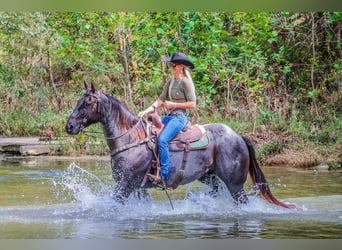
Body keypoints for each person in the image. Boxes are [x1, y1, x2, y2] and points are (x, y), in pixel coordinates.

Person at [139, 52, 197, 182]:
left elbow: (193, 104)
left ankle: (164, 175)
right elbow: (160, 100)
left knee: (163, 140)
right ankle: (151, 166)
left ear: (181, 66)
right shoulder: (171, 82)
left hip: (179, 118)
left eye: (174, 65)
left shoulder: (185, 83)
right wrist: (145, 111)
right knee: (150, 134)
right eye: (170, 65)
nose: (171, 67)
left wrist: (173, 104)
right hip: (169, 116)